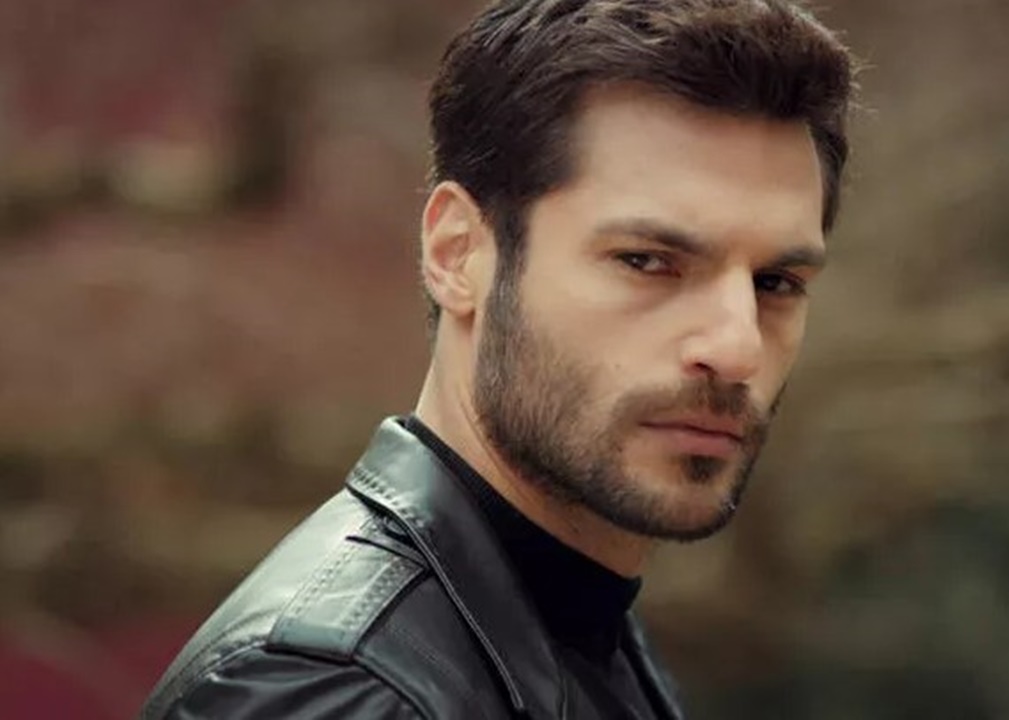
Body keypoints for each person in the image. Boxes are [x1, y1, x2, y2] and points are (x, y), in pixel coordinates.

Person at [142, 0, 858, 717]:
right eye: (647, 261)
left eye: (776, 282)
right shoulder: (346, 691)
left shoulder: (584, 633)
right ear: (458, 253)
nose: (736, 348)